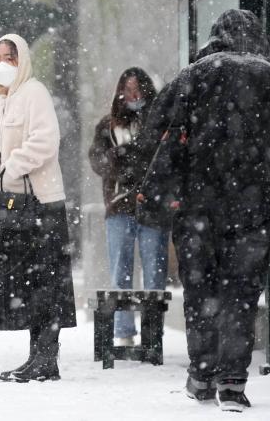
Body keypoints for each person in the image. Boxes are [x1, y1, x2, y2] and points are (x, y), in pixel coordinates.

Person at [137, 9, 270, 411]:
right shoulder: (267, 76)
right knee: (241, 295)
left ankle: (201, 375)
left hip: (198, 207)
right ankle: (232, 383)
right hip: (250, 210)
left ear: (218, 36)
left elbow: (153, 129)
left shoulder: (195, 73)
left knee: (201, 293)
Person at [0, 33, 76, 382]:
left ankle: (47, 359)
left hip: (42, 205)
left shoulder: (34, 93)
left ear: (23, 61)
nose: (2, 65)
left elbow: (45, 140)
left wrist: (10, 166)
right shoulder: (1, 99)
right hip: (16, 207)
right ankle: (36, 357)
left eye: (10, 58)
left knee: (46, 284)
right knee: (27, 284)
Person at [88, 67, 168, 347]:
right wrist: (116, 157)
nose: (133, 96)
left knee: (154, 272)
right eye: (128, 89)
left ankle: (152, 332)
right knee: (120, 270)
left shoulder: (159, 123)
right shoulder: (107, 126)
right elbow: (97, 161)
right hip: (119, 206)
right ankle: (123, 331)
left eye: (138, 89)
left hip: (153, 205)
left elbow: (166, 159)